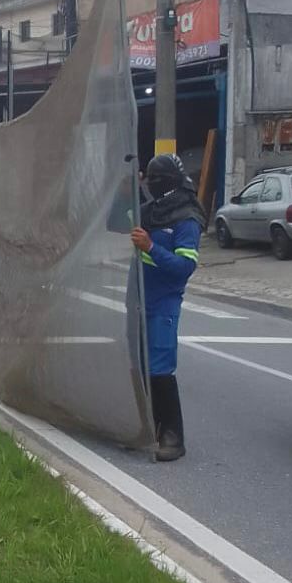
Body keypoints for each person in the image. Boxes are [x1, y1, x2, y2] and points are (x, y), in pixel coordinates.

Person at [129, 153, 205, 462]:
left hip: (163, 302)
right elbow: (113, 220)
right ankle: (148, 430)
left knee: (160, 368)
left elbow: (184, 267)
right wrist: (128, 190)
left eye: (153, 181)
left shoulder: (186, 219)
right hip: (138, 298)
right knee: (139, 365)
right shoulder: (152, 211)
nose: (150, 185)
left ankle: (173, 436)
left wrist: (150, 247)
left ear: (168, 183)